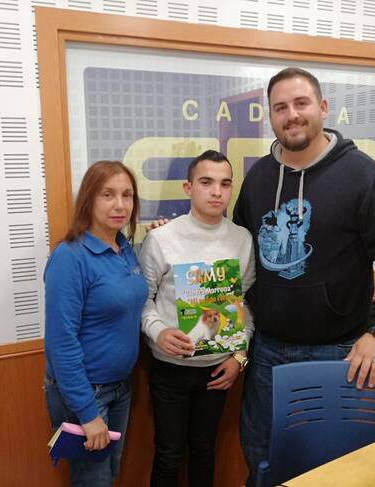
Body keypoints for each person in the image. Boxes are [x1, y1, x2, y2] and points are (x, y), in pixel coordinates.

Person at [233, 67, 375, 485]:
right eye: (280, 107)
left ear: (322, 107)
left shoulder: (363, 175)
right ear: (270, 116)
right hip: (267, 352)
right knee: (261, 460)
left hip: (340, 353)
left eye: (301, 103)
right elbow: (237, 248)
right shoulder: (259, 177)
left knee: (336, 467)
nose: (291, 115)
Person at [139, 150, 256, 487]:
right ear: (188, 188)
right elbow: (142, 301)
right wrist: (159, 332)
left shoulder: (242, 239)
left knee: (205, 451)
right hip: (170, 369)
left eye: (225, 183)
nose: (216, 192)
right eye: (206, 182)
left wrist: (239, 356)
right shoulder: (161, 238)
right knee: (169, 454)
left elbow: (246, 305)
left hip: (218, 369)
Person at [43, 161, 148, 487]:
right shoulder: (70, 257)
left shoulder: (124, 249)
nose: (120, 205)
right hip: (86, 393)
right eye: (108, 195)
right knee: (93, 481)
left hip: (120, 387)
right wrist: (88, 413)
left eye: (127, 195)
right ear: (89, 199)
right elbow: (61, 343)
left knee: (108, 475)